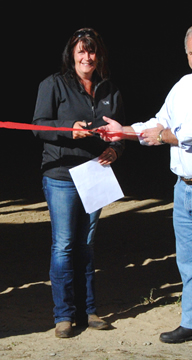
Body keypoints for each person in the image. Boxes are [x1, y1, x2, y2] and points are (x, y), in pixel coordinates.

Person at [99, 23, 192, 357]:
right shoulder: (182, 86)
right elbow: (158, 121)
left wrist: (163, 136)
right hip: (185, 187)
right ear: (187, 55)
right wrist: (124, 131)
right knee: (191, 260)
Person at [32, 28, 125, 338]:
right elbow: (37, 127)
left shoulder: (110, 90)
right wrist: (67, 130)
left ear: (99, 54)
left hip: (95, 173)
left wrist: (116, 149)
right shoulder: (53, 85)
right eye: (81, 52)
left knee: (86, 245)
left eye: (92, 51)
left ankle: (89, 310)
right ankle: (63, 315)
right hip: (62, 175)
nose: (87, 57)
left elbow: (120, 131)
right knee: (64, 245)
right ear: (71, 55)